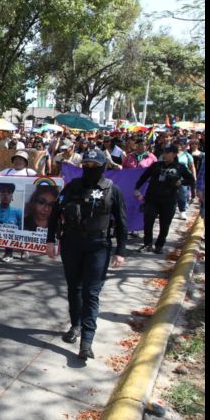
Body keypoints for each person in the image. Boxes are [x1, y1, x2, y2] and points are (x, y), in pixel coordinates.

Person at [46, 149, 127, 360]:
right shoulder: (72, 187)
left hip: (98, 245)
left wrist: (120, 251)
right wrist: (50, 240)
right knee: (75, 288)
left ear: (103, 166)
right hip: (71, 243)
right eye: (86, 165)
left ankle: (87, 341)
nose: (90, 168)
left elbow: (121, 222)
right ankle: (75, 325)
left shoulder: (112, 190)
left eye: (94, 165)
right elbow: (55, 213)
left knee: (91, 292)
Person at [134, 145, 195, 254]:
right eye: (163, 152)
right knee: (148, 223)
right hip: (152, 199)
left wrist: (181, 182)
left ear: (174, 154)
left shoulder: (180, 167)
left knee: (164, 224)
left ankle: (159, 245)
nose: (164, 154)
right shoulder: (156, 165)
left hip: (169, 200)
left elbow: (191, 180)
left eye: (167, 152)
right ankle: (147, 244)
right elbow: (143, 177)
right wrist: (136, 190)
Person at [174, 138, 197, 219]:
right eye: (176, 145)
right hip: (171, 177)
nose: (178, 147)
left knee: (183, 194)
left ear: (182, 146)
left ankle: (182, 211)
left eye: (179, 145)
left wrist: (194, 176)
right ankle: (170, 210)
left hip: (183, 178)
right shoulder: (169, 154)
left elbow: (192, 166)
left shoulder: (187, 155)